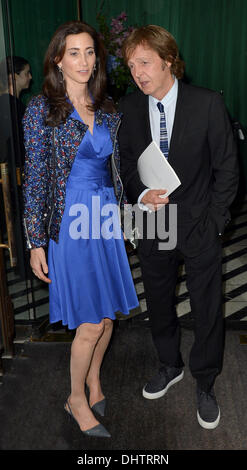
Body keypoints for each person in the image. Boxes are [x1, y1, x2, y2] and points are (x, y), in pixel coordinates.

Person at [118, 25, 239, 430]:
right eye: (132, 65)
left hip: (201, 223)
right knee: (159, 302)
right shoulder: (129, 109)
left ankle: (205, 382)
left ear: (169, 60)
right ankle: (169, 365)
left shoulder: (206, 104)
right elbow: (125, 167)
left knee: (207, 308)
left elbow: (228, 168)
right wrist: (139, 195)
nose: (138, 72)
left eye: (145, 62)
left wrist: (217, 222)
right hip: (154, 224)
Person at [22, 21, 138, 438]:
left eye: (90, 52)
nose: (84, 61)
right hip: (69, 222)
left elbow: (117, 170)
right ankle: (74, 398)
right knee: (90, 322)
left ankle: (92, 380)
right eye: (74, 52)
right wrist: (35, 241)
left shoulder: (107, 106)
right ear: (58, 58)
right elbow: (35, 179)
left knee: (108, 320)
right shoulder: (41, 110)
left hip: (105, 218)